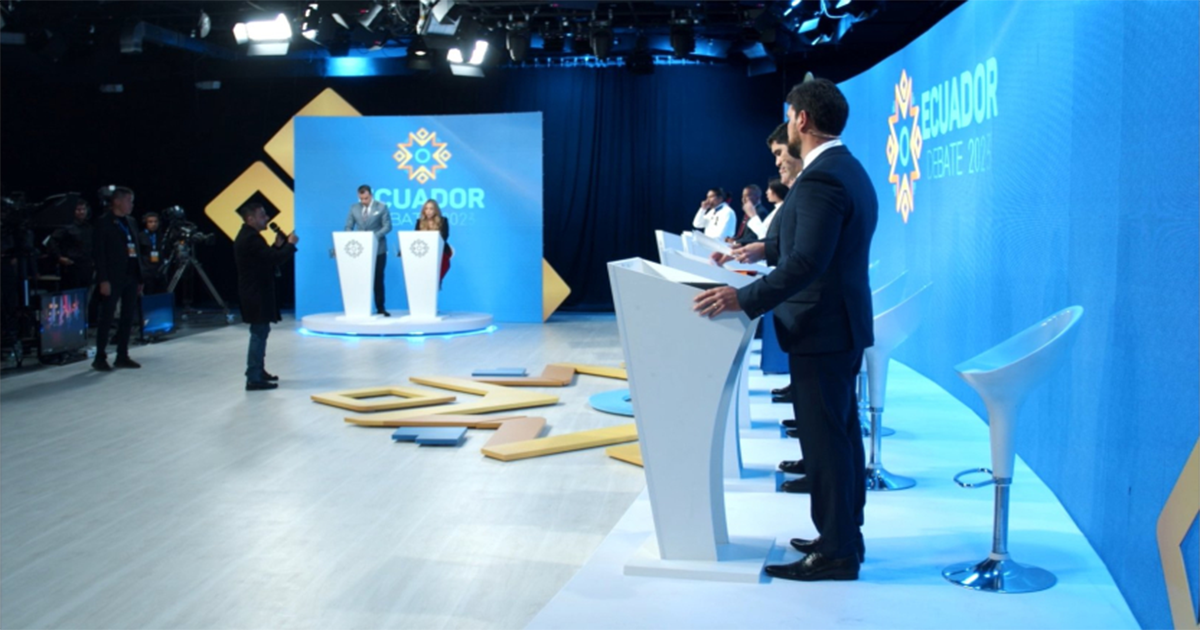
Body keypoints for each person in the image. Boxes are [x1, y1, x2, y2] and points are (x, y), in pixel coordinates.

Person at [694, 77, 877, 581]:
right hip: (838, 326)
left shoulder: (821, 178)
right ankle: (844, 535)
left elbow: (808, 262)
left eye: (788, 117)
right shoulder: (846, 169)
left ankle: (836, 552)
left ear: (801, 119)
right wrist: (762, 249)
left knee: (826, 443)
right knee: (840, 436)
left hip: (823, 327)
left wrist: (743, 298)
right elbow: (811, 243)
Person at [234, 202, 298, 391]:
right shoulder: (250, 239)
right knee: (258, 333)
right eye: (262, 215)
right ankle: (253, 376)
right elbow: (273, 259)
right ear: (250, 219)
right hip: (255, 293)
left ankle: (258, 371)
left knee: (261, 332)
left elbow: (265, 258)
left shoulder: (250, 237)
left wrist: (277, 246)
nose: (267, 219)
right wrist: (290, 245)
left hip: (255, 291)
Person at [91, 187, 142, 371]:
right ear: (117, 201)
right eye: (129, 201)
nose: (131, 205)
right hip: (112, 277)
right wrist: (103, 280)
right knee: (107, 317)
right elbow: (99, 254)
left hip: (131, 275)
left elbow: (136, 249)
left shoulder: (131, 222)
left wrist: (140, 278)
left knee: (128, 317)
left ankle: (122, 355)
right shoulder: (103, 222)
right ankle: (100, 357)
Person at [344, 184, 392, 316]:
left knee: (378, 278)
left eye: (366, 198)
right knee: (360, 278)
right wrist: (349, 237)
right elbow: (348, 226)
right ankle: (360, 308)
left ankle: (380, 307)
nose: (363, 201)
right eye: (361, 199)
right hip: (360, 251)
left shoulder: (381, 207)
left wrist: (373, 237)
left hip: (378, 249)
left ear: (370, 195)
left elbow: (387, 226)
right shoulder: (354, 208)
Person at [49, 199, 95, 291]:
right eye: (78, 209)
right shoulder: (66, 226)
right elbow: (52, 241)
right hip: (72, 266)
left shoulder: (89, 227)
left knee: (86, 292)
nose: (82, 212)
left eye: (83, 209)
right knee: (72, 292)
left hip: (87, 266)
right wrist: (59, 257)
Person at [414, 199, 452, 286]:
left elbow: (445, 236)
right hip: (424, 250)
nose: (428, 211)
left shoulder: (443, 220)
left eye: (431, 209)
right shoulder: (419, 222)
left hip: (440, 250)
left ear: (435, 210)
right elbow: (415, 238)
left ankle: (436, 281)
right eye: (426, 208)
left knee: (443, 263)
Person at [138, 212, 167, 295]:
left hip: (159, 269)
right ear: (145, 223)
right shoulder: (140, 236)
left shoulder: (161, 236)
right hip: (146, 270)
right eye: (150, 222)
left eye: (155, 222)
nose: (153, 224)